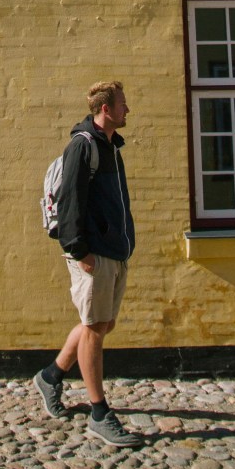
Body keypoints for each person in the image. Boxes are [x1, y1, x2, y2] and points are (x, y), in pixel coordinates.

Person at [34, 81, 143, 447]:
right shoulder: (83, 147)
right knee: (95, 328)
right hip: (92, 254)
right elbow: (69, 204)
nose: (128, 110)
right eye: (123, 105)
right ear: (106, 109)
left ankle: (51, 376)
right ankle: (99, 412)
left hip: (113, 250)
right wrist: (80, 252)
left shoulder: (111, 147)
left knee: (102, 323)